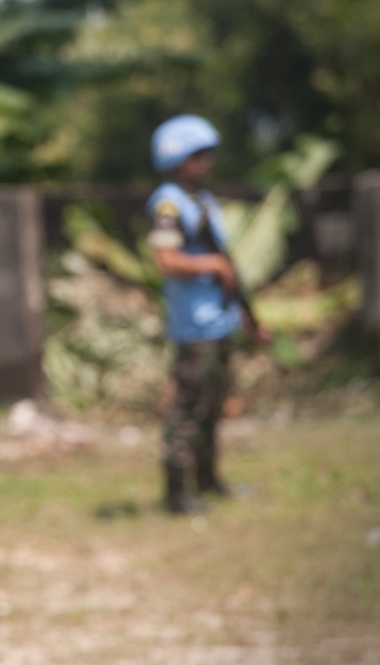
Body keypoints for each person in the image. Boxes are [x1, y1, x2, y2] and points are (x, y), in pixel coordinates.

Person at [146, 114, 271, 515]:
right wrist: (213, 267)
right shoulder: (168, 203)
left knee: (212, 406)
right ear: (177, 158)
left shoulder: (204, 201)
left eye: (209, 154)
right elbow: (165, 259)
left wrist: (248, 319)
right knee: (186, 408)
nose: (208, 162)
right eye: (199, 154)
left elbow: (226, 262)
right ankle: (176, 492)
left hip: (219, 320)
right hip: (193, 325)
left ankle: (208, 480)